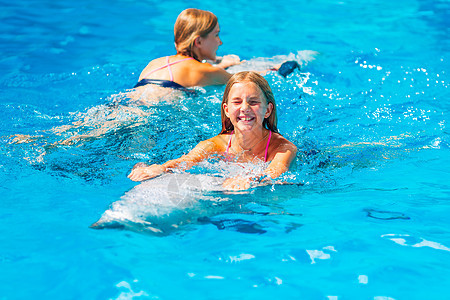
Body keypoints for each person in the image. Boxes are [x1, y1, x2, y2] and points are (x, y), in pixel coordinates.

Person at [128, 71, 297, 190]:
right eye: (237, 102)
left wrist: (250, 180)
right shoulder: (215, 144)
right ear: (226, 110)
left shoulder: (283, 148)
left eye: (253, 102)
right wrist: (161, 168)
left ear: (267, 110)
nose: (245, 108)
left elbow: (275, 171)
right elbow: (187, 160)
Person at [133, 8, 242, 92]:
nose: (220, 42)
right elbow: (248, 80)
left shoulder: (154, 63)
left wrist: (222, 66)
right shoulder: (209, 71)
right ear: (198, 41)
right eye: (216, 35)